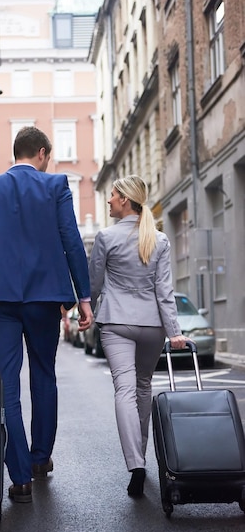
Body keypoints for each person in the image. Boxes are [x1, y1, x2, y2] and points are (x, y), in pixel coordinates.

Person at [0, 126, 93, 503]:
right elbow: (72, 241)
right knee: (43, 373)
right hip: (45, 300)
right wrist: (85, 297)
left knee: (6, 383)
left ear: (16, 153)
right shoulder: (56, 186)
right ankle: (41, 458)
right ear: (42, 153)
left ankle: (20, 475)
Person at [89, 175, 187, 498]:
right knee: (143, 386)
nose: (109, 200)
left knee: (124, 389)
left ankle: (136, 464)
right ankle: (140, 455)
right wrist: (174, 333)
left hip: (116, 322)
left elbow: (95, 283)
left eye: (113, 195)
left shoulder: (105, 237)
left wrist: (85, 310)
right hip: (152, 325)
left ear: (126, 201)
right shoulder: (158, 240)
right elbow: (164, 291)